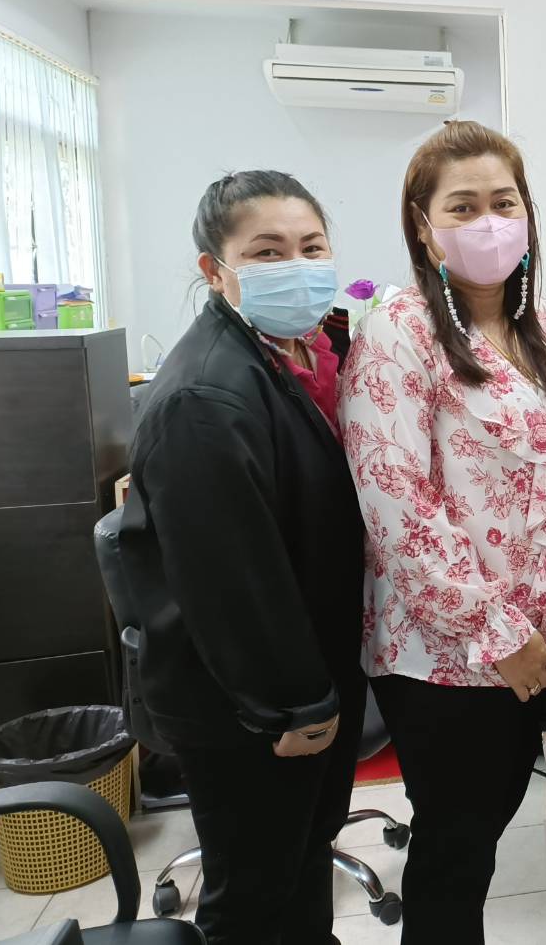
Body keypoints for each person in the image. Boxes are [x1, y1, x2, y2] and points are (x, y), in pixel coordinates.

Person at [340, 121, 546, 944]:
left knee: (482, 834)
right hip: (448, 657)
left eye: (504, 202)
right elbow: (397, 504)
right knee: (455, 853)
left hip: (536, 640)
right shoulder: (396, 333)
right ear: (423, 227)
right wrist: (499, 634)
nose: (488, 222)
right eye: (462, 207)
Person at [119, 171, 366, 945]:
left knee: (301, 860)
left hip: (298, 672)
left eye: (311, 247)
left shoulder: (283, 356)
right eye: (267, 251)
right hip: (251, 704)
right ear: (213, 269)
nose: (296, 265)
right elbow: (232, 582)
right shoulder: (206, 396)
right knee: (254, 895)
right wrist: (296, 706)